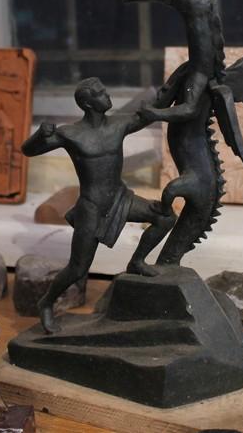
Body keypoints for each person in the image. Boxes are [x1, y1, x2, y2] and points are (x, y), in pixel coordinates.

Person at [21, 77, 175, 334]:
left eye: (105, 90)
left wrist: (176, 86)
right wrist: (39, 135)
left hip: (119, 199)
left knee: (165, 217)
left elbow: (151, 112)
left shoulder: (119, 123)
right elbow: (28, 151)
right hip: (91, 208)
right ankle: (46, 303)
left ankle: (137, 261)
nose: (107, 96)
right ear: (87, 103)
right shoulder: (71, 134)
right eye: (101, 93)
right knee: (78, 269)